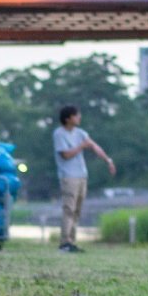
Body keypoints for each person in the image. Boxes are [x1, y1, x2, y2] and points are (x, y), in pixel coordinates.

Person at [52, 105, 114, 253]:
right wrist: (81, 146)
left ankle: (71, 242)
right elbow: (65, 155)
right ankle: (64, 242)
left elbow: (94, 146)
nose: (79, 118)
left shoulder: (80, 133)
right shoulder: (59, 134)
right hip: (68, 176)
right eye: (76, 115)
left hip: (82, 176)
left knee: (77, 210)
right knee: (69, 209)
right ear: (68, 118)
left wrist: (108, 160)